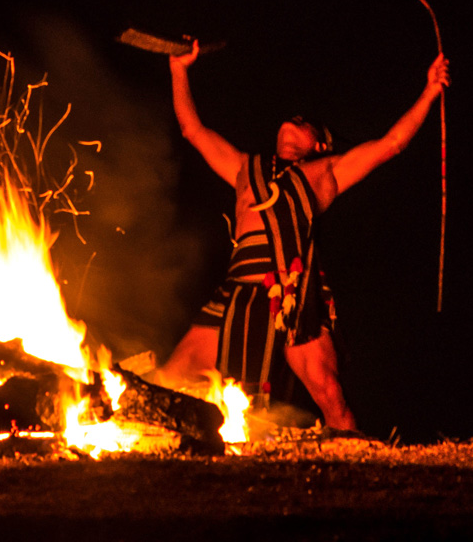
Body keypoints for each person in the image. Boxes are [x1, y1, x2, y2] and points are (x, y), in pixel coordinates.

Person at [152, 42, 449, 434]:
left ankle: (355, 460)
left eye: (305, 125)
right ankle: (151, 441)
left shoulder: (325, 172)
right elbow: (192, 129)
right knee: (173, 374)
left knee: (328, 392)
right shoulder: (244, 168)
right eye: (290, 120)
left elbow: (391, 144)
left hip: (291, 291)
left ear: (319, 145)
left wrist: (429, 92)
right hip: (238, 291)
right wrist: (179, 70)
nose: (293, 123)